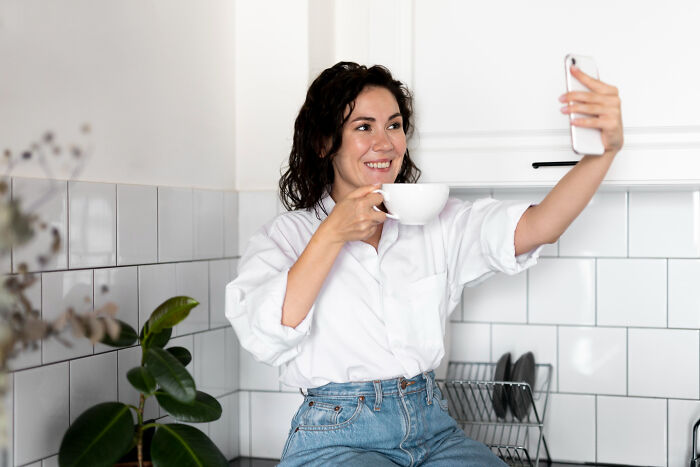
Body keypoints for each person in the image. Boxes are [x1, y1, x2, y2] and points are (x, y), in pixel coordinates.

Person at [226, 61, 623, 466]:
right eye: (364, 127)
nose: (385, 143)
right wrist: (332, 233)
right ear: (325, 142)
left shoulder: (435, 224)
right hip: (337, 437)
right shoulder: (286, 237)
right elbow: (266, 332)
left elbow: (539, 227)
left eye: (394, 126)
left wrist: (602, 155)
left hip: (433, 428)